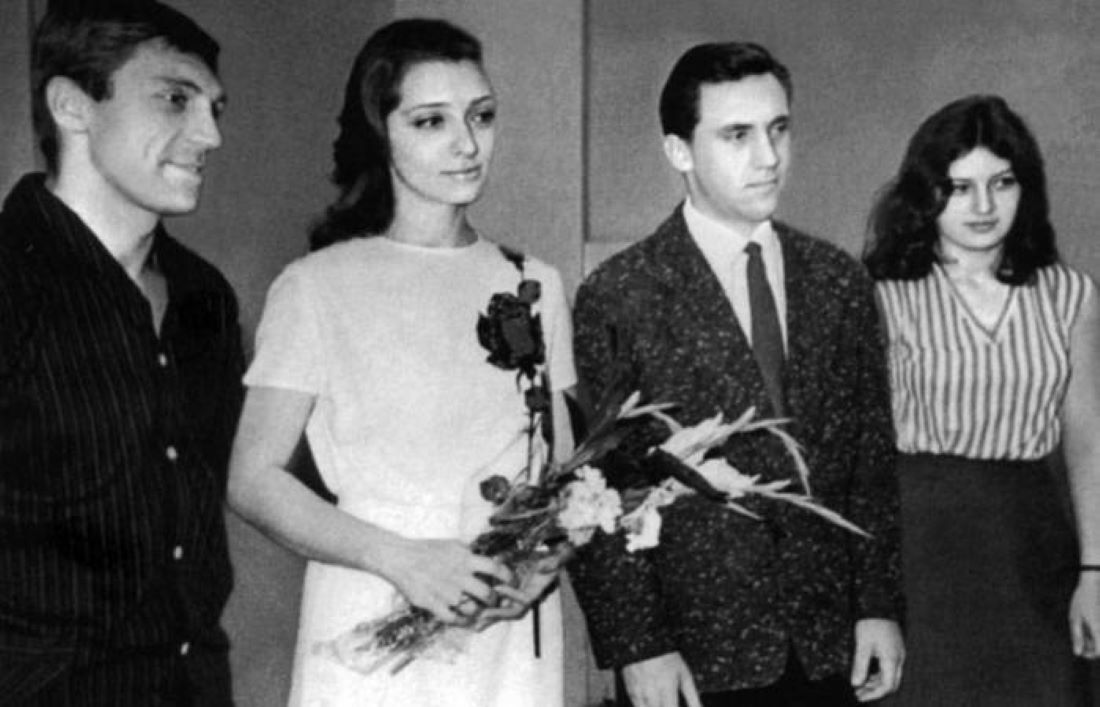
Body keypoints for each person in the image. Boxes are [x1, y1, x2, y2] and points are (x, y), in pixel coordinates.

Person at [227, 18, 574, 707]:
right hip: (373, 604)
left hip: (502, 624)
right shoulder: (316, 286)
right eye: (430, 121)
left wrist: (542, 561)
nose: (467, 143)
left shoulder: (534, 283)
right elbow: (253, 479)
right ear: (379, 132)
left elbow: (566, 470)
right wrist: (403, 560)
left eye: (481, 116)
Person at [569, 42, 905, 707]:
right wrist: (638, 645)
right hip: (693, 657)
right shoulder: (620, 294)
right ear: (679, 151)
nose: (769, 156)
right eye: (737, 135)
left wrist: (878, 604)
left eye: (778, 129)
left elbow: (869, 461)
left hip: (828, 646)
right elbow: (600, 489)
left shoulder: (837, 280)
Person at [0, 2, 241, 704]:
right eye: (175, 99)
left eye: (214, 108)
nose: (210, 135)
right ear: (72, 106)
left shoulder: (205, 297)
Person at [864, 94, 1100, 705]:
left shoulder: (1070, 294)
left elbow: (1087, 440)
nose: (985, 206)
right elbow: (859, 459)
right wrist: (870, 602)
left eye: (1002, 183)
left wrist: (1095, 570)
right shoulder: (883, 296)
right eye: (960, 187)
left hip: (1033, 545)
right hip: (921, 546)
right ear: (926, 193)